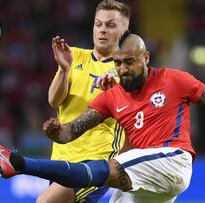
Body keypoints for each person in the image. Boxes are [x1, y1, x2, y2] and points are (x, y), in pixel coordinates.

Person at [0, 32, 205, 203]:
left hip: (174, 160)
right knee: (109, 180)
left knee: (106, 169)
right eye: (118, 63)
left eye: (129, 62)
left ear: (145, 58)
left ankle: (19, 163)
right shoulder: (112, 96)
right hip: (146, 180)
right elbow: (71, 131)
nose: (123, 69)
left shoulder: (175, 80)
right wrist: (55, 131)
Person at [40, 0, 130, 202]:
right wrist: (64, 70)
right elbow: (54, 101)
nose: (102, 30)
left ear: (124, 31)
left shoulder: (127, 70)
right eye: (98, 24)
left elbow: (134, 116)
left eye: (110, 25)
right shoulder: (74, 56)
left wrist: (114, 93)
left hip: (96, 161)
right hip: (62, 159)